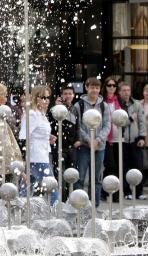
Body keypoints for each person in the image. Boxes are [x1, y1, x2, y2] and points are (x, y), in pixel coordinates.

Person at [69, 77, 110, 207]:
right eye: (92, 87)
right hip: (84, 146)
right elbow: (77, 126)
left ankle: (94, 205)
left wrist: (98, 140)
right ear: (86, 88)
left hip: (99, 147)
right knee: (80, 177)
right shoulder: (79, 105)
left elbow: (107, 125)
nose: (94, 90)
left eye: (97, 88)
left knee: (96, 178)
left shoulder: (104, 106)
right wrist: (88, 140)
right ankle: (79, 204)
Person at [18, 85, 57, 203]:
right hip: (37, 157)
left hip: (40, 155)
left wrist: (48, 137)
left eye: (48, 97)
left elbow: (36, 133)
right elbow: (23, 136)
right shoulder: (32, 114)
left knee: (27, 187)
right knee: (52, 187)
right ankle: (55, 212)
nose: (46, 100)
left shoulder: (40, 114)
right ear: (36, 98)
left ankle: (19, 211)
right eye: (43, 97)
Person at [117, 82, 147, 200]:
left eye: (128, 90)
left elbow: (142, 122)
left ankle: (139, 191)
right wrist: (129, 119)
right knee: (124, 167)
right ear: (119, 92)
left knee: (137, 166)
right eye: (124, 90)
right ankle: (126, 191)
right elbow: (119, 122)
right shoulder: (118, 104)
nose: (126, 93)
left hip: (134, 139)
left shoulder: (137, 104)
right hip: (122, 140)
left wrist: (142, 137)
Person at [51, 83, 78, 200]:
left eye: (70, 94)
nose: (67, 96)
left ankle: (71, 198)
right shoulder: (54, 109)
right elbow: (51, 125)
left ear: (73, 95)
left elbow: (79, 125)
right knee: (60, 175)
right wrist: (56, 108)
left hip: (72, 147)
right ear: (61, 95)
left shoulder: (75, 109)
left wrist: (78, 140)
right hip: (59, 147)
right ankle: (62, 199)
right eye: (65, 94)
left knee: (72, 174)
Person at [101, 77, 120, 200]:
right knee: (110, 166)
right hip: (106, 138)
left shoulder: (119, 101)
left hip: (119, 138)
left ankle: (115, 193)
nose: (112, 88)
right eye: (109, 85)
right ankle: (105, 191)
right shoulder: (102, 102)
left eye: (114, 85)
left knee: (118, 166)